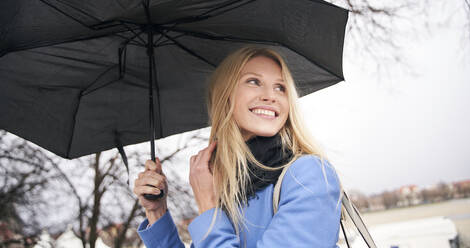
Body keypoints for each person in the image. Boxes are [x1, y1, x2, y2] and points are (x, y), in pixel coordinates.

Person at [133, 46, 343, 248]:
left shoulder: (308, 175)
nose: (270, 95)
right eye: (254, 81)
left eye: (280, 87)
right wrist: (157, 211)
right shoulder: (226, 185)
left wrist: (208, 207)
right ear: (225, 96)